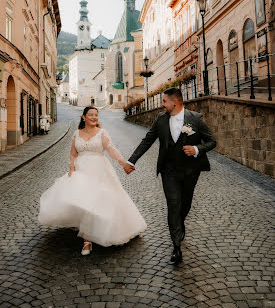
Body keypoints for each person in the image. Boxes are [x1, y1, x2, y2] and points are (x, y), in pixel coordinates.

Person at [124, 88, 216, 264]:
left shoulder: (195, 119)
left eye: (164, 101)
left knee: (185, 204)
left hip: (190, 170)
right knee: (174, 205)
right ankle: (176, 247)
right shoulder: (161, 119)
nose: (162, 104)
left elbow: (212, 141)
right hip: (169, 171)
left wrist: (197, 149)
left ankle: (179, 225)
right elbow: (147, 140)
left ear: (175, 102)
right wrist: (132, 161)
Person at [38, 106, 147, 255]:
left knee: (98, 202)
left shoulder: (102, 133)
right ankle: (87, 239)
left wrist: (123, 164)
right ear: (84, 117)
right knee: (84, 202)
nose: (94, 117)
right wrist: (71, 168)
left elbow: (112, 150)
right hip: (81, 170)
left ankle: (91, 237)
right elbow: (73, 154)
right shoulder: (76, 134)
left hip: (99, 170)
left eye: (96, 115)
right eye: (91, 115)